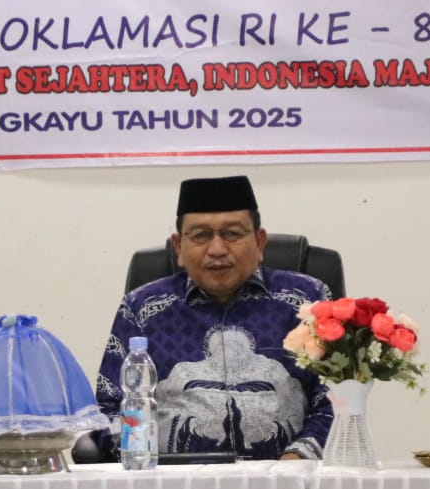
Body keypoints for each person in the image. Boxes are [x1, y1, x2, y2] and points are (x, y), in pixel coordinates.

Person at [95, 175, 332, 460]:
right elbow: (110, 406)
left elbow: (334, 399)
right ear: (179, 247)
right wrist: (144, 461)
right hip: (171, 480)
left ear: (259, 242)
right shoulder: (142, 308)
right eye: (200, 236)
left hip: (286, 476)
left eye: (232, 234)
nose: (217, 249)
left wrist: (297, 459)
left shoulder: (307, 301)